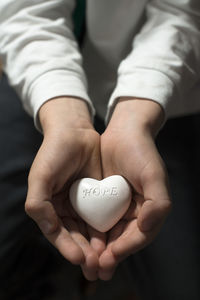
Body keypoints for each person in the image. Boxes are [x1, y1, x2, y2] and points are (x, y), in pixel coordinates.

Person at [0, 0, 200, 298]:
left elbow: (184, 12)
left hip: (169, 93)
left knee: (183, 282)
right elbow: (25, 11)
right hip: (43, 81)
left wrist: (138, 110)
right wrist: (63, 115)